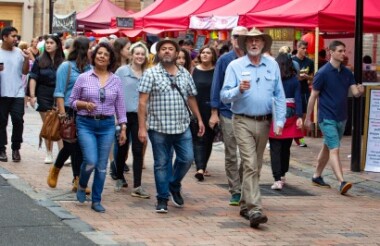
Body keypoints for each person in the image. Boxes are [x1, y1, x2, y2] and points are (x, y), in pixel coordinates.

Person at [220, 28, 286, 228]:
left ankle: (243, 204)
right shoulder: (235, 66)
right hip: (242, 120)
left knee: (255, 165)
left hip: (265, 121)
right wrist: (238, 89)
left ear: (264, 44)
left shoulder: (272, 65)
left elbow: (279, 94)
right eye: (250, 41)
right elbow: (224, 95)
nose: (254, 44)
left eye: (258, 41)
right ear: (245, 45)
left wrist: (280, 121)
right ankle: (255, 208)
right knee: (249, 163)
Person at [138, 38, 205, 213]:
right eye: (163, 49)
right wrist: (142, 127)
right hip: (158, 127)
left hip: (182, 126)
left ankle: (174, 184)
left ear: (177, 54)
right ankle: (162, 199)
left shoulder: (185, 73)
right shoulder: (150, 74)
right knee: (161, 163)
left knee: (187, 159)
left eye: (170, 49)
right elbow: (142, 102)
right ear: (158, 53)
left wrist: (199, 118)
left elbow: (191, 97)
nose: (167, 51)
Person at [70, 42, 127, 213]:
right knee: (91, 161)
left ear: (110, 59)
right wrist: (84, 104)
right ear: (93, 57)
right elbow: (71, 101)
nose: (102, 56)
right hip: (86, 123)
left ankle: (96, 200)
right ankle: (81, 184)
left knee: (102, 165)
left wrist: (123, 127)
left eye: (106, 54)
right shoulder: (83, 77)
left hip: (107, 125)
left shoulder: (116, 80)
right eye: (99, 53)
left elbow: (121, 106)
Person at [305, 40, 364, 195]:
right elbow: (313, 96)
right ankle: (341, 181)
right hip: (327, 117)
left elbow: (355, 93)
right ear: (331, 52)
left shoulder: (346, 73)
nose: (343, 54)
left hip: (342, 117)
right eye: (340, 51)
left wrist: (360, 90)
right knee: (334, 148)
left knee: (328, 146)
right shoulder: (322, 73)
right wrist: (308, 118)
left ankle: (316, 176)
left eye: (344, 51)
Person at [47, 37, 92, 192]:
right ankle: (74, 177)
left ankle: (69, 175)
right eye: (90, 48)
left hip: (85, 110)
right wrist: (62, 113)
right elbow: (59, 91)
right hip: (68, 109)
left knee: (77, 146)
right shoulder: (66, 67)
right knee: (71, 145)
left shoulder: (89, 68)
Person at [209, 26, 248, 206]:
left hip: (248, 112)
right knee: (231, 152)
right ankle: (235, 189)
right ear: (231, 39)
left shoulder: (254, 59)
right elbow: (216, 85)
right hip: (227, 112)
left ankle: (242, 184)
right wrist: (214, 112)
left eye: (243, 36)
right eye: (236, 36)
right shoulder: (225, 59)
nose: (239, 39)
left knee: (248, 154)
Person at [114, 41, 150, 198]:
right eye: (137, 53)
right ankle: (119, 176)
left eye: (142, 54)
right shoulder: (122, 71)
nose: (140, 56)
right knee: (122, 147)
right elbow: (114, 92)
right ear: (132, 55)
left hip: (140, 116)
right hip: (123, 115)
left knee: (138, 148)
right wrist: (116, 117)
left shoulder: (148, 74)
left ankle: (137, 184)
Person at [268, 53, 303, 190]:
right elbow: (299, 99)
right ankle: (282, 173)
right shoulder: (294, 81)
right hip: (291, 115)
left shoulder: (272, 79)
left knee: (275, 148)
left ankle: (277, 178)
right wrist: (299, 116)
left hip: (275, 113)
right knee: (286, 148)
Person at [29, 34, 65, 164]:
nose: (48, 45)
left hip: (59, 94)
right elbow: (33, 77)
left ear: (57, 45)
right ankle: (49, 153)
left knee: (61, 123)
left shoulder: (63, 61)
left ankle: (62, 153)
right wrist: (32, 96)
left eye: (51, 43)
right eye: (47, 43)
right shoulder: (39, 60)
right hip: (43, 92)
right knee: (48, 123)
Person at [0, 26, 30, 162]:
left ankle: (16, 148)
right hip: (2, 93)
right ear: (4, 37)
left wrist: (26, 60)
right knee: (1, 122)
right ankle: (1, 149)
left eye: (17, 36)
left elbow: (24, 72)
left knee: (18, 120)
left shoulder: (19, 52)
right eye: (13, 36)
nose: (16, 39)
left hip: (17, 92)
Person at [192, 45, 217, 181]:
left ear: (213, 56)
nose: (205, 55)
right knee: (199, 137)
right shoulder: (194, 70)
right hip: (197, 108)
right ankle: (200, 168)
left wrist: (216, 112)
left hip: (211, 109)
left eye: (208, 53)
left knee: (208, 139)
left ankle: (203, 165)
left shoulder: (217, 72)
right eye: (203, 53)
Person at [292, 40, 313, 148]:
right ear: (298, 48)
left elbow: (312, 78)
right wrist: (297, 77)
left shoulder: (309, 62)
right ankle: (295, 136)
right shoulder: (292, 61)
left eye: (306, 48)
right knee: (293, 113)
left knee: (303, 114)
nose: (305, 50)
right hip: (293, 90)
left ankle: (301, 137)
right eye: (303, 48)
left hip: (304, 89)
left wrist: (307, 77)